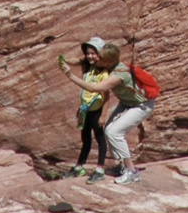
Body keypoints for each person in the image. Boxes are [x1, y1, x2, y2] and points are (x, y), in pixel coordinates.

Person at [57, 41, 153, 184]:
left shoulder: (117, 75)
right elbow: (82, 60)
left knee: (114, 132)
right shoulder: (108, 65)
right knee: (108, 130)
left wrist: (70, 75)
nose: (95, 58)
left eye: (99, 57)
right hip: (127, 102)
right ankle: (121, 166)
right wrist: (64, 59)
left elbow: (94, 88)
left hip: (141, 105)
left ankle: (132, 171)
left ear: (107, 61)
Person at [59, 37, 111, 179]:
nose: (89, 56)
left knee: (100, 138)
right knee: (86, 139)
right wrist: (64, 59)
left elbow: (106, 96)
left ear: (100, 54)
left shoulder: (103, 73)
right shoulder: (88, 67)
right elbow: (78, 60)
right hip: (85, 110)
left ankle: (100, 169)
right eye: (88, 53)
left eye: (93, 53)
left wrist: (103, 115)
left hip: (97, 110)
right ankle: (79, 167)